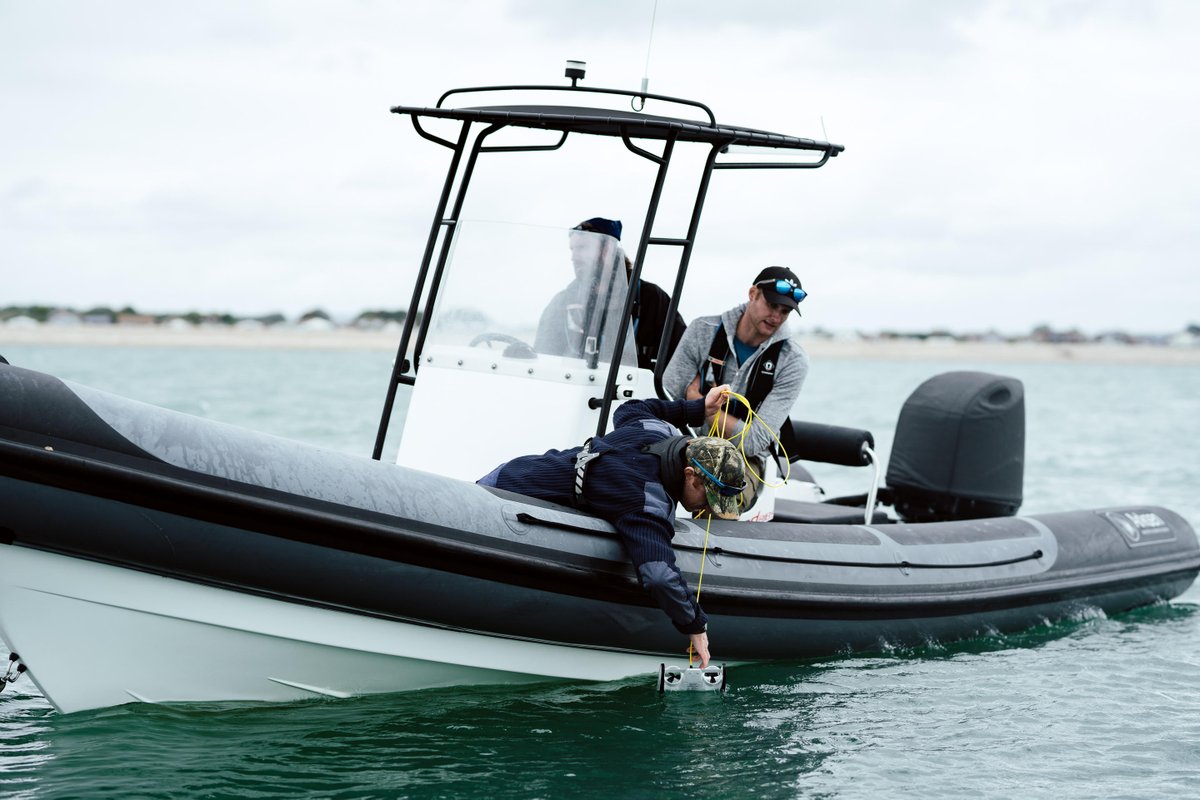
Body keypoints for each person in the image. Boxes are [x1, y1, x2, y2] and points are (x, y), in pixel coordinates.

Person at [477, 383, 746, 667]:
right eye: (709, 498)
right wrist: (696, 625)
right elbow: (658, 575)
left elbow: (631, 408)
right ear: (690, 475)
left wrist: (698, 408)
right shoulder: (645, 500)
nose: (708, 509)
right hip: (505, 493)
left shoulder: (658, 431)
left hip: (514, 468)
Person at [662, 266, 809, 476]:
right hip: (684, 441)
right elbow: (666, 400)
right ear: (752, 293)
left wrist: (698, 402)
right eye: (771, 305)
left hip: (744, 460)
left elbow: (753, 442)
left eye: (785, 311)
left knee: (716, 488)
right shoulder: (702, 330)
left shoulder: (793, 361)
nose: (776, 317)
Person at [534, 217, 685, 370]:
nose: (574, 257)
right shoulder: (563, 303)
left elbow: (684, 361)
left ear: (608, 250)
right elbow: (543, 360)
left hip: (634, 385)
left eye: (582, 248)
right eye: (573, 250)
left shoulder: (652, 299)